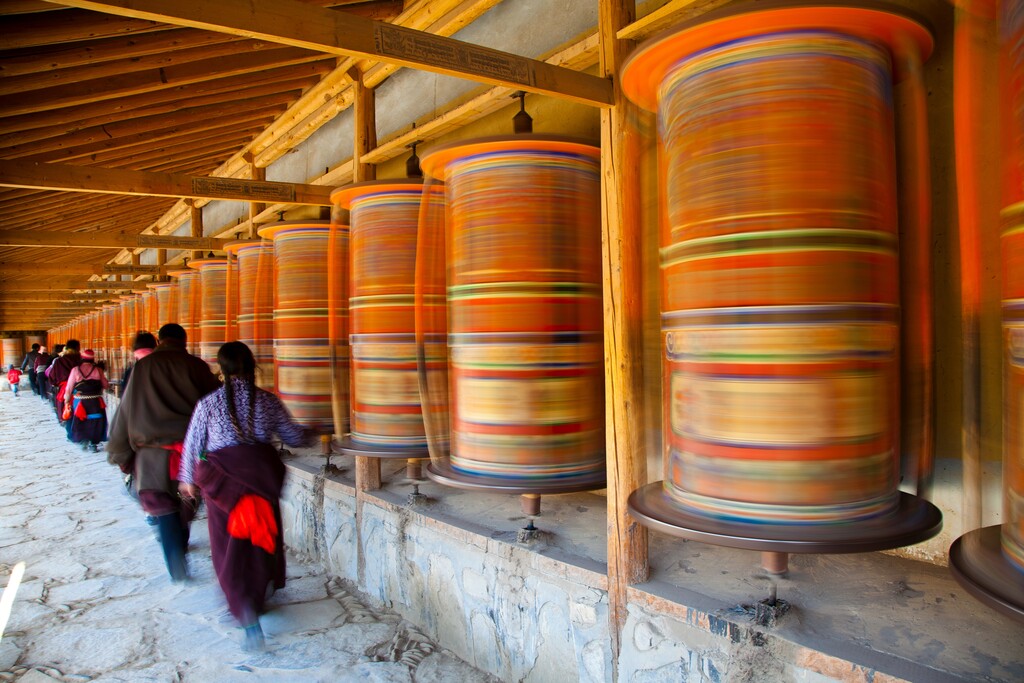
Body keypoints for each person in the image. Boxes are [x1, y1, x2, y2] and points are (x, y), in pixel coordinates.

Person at [179, 341, 312, 651]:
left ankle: (244, 607)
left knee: (230, 545)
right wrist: (317, 431)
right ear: (253, 367)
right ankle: (258, 593)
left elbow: (192, 443)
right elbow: (293, 436)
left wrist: (187, 480)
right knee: (260, 536)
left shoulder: (208, 404)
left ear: (221, 370)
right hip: (260, 479)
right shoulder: (268, 401)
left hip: (223, 486)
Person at [107, 324, 220, 583]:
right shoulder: (197, 366)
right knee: (187, 502)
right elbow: (216, 404)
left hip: (152, 454)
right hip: (191, 452)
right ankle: (180, 543)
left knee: (161, 504)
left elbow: (126, 410)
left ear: (160, 341)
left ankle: (175, 561)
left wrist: (119, 452)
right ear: (184, 340)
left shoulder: (143, 367)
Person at [64, 349, 110, 452]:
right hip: (95, 401)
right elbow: (105, 385)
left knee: (80, 420)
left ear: (82, 358)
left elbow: (69, 388)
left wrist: (66, 400)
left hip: (80, 401)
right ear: (92, 359)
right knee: (95, 421)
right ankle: (93, 444)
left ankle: (83, 440)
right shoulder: (98, 370)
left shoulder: (75, 370)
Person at [48, 340, 81, 423]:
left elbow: (52, 377)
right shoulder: (81, 360)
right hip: (81, 389)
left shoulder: (59, 361)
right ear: (78, 348)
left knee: (67, 411)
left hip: (64, 389)